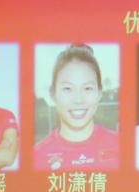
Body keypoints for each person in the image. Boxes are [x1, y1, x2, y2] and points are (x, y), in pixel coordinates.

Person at [34, 43, 118, 171]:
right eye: (67, 89)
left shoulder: (124, 146)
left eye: (87, 88)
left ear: (99, 92)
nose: (78, 100)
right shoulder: (35, 157)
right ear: (53, 93)